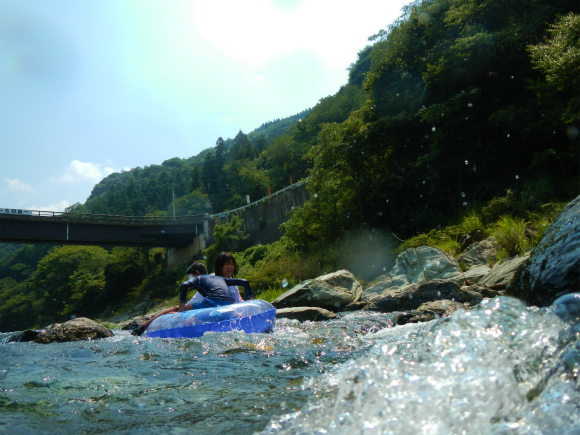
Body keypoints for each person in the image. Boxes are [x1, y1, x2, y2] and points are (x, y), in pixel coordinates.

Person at [132, 262, 253, 335]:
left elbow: (183, 296)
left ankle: (145, 324)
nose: (189, 280)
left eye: (189, 277)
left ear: (196, 273)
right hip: (231, 307)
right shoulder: (218, 279)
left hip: (218, 306)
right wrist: (251, 300)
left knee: (178, 308)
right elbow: (243, 283)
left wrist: (180, 311)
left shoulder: (202, 281)